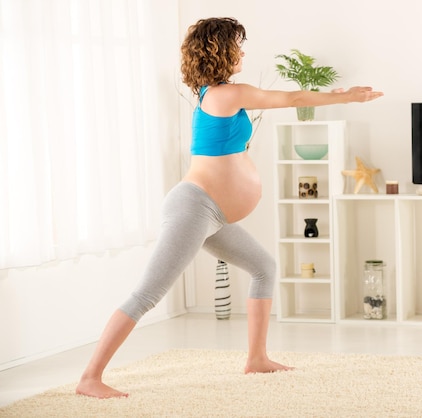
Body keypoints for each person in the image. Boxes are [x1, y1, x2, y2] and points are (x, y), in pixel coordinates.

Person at [75, 17, 383, 399]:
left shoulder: (216, 93)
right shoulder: (225, 94)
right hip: (194, 208)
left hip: (213, 214)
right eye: (237, 45)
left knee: (263, 267)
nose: (242, 51)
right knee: (147, 295)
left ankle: (257, 358)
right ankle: (90, 378)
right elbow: (292, 100)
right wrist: (346, 97)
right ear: (220, 50)